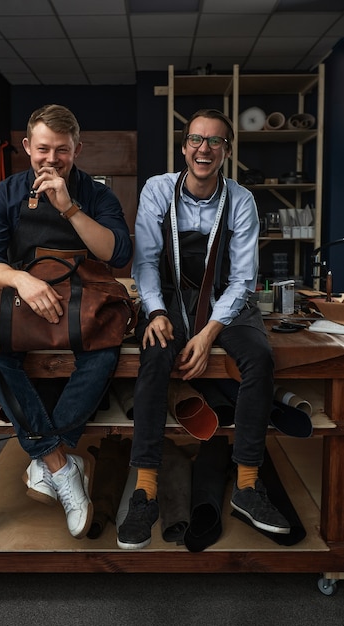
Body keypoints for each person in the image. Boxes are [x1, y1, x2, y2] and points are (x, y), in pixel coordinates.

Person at [117, 108, 290, 550]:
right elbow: (147, 263)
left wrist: (209, 331)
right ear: (184, 147)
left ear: (227, 151)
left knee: (259, 358)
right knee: (155, 354)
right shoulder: (158, 190)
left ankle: (248, 487)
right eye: (196, 139)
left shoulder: (243, 200)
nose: (204, 148)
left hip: (226, 300)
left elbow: (243, 278)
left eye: (215, 141)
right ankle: (146, 491)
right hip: (172, 297)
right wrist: (156, 313)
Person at [0, 104, 132, 539]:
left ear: (77, 149)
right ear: (27, 148)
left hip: (83, 309)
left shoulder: (97, 196)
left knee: (105, 353)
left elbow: (117, 254)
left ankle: (46, 458)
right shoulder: (4, 194)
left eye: (62, 150)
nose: (52, 159)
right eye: (43, 149)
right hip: (26, 308)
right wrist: (21, 279)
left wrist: (69, 209)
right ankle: (60, 464)